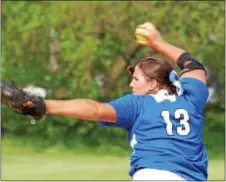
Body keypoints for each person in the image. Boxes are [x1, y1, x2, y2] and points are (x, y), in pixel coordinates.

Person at [2, 22, 209, 181]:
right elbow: (193, 64)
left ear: (154, 84)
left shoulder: (138, 105)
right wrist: (159, 43)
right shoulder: (192, 97)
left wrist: (44, 105)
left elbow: (95, 110)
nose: (131, 84)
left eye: (136, 79)